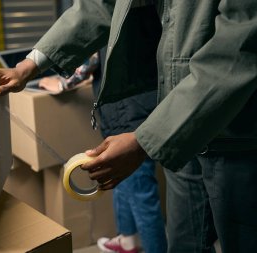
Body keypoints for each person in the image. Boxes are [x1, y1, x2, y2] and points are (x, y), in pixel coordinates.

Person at [0, 1, 257, 253]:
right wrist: (27, 66)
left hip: (242, 138)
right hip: (180, 138)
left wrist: (144, 141)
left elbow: (238, 54)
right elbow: (100, 5)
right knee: (183, 243)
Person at [40, 51, 167, 253]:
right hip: (138, 106)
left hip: (129, 113)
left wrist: (62, 84)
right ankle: (128, 240)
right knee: (121, 178)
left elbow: (94, 57)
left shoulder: (110, 19)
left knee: (141, 193)